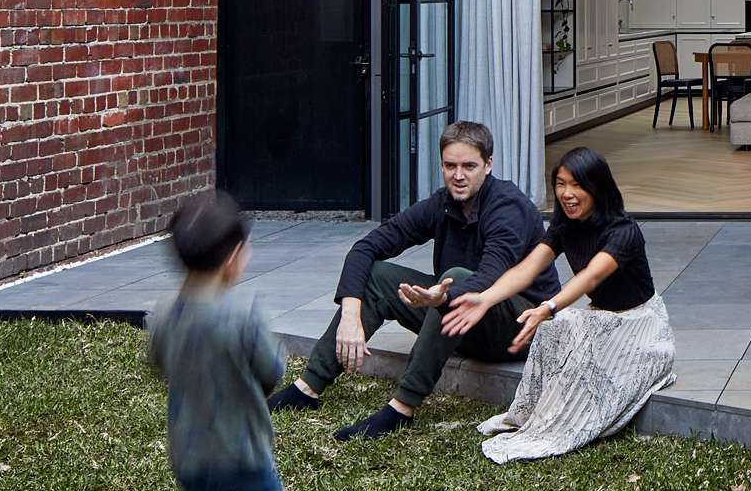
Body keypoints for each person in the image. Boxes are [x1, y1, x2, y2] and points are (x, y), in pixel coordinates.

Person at [272, 119, 557, 443]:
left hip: (518, 325)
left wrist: (441, 295)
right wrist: (351, 315)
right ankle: (307, 387)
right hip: (458, 315)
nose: (458, 175)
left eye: (469, 166)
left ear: (488, 165)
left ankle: (401, 409)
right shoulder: (443, 203)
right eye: (450, 166)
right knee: (378, 276)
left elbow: (489, 276)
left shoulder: (508, 207)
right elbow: (366, 247)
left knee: (456, 279)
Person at [440, 146, 675, 464]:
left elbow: (590, 277)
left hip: (638, 325)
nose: (568, 194)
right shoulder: (566, 227)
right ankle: (528, 416)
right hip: (602, 317)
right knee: (556, 330)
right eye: (561, 184)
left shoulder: (624, 232)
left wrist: (549, 306)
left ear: (598, 188)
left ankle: (556, 426)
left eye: (578, 185)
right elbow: (527, 268)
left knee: (568, 338)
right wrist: (486, 297)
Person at [147, 190, 285, 491]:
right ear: (232, 259)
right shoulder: (242, 314)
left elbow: (160, 363)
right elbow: (271, 371)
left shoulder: (163, 313)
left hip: (189, 453)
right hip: (243, 445)